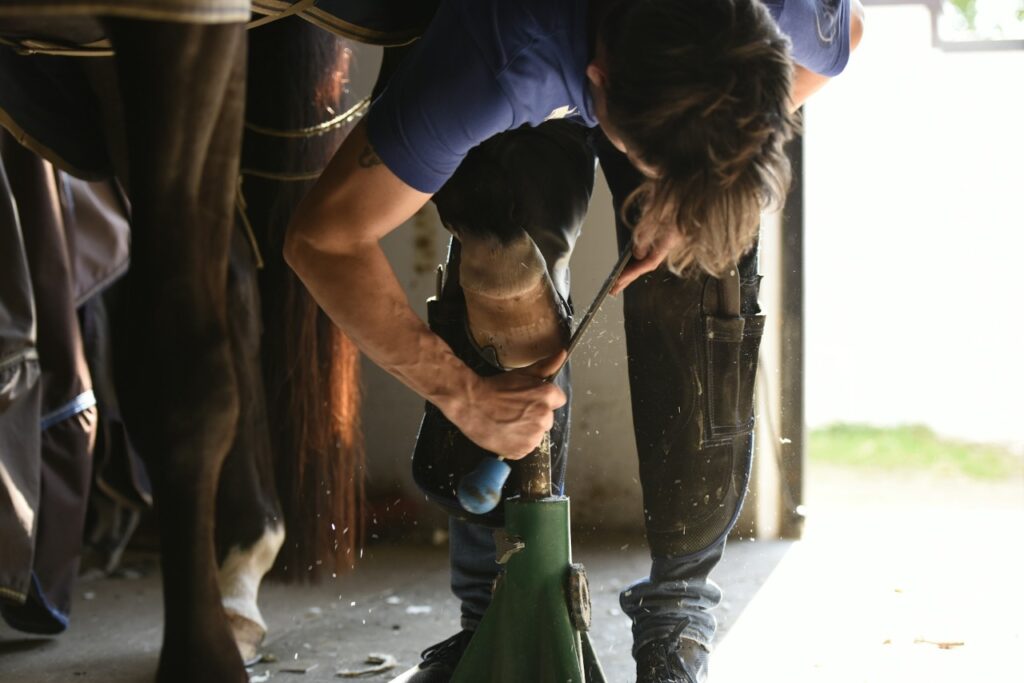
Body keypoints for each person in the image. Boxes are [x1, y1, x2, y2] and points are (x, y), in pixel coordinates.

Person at [285, 0, 864, 680]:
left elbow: (842, 42)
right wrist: (463, 394)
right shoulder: (496, 58)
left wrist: (686, 197)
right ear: (597, 82)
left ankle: (678, 612)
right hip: (530, 40)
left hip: (625, 51)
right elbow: (320, 238)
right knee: (503, 267)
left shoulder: (783, 9)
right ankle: (499, 603)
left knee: (709, 255)